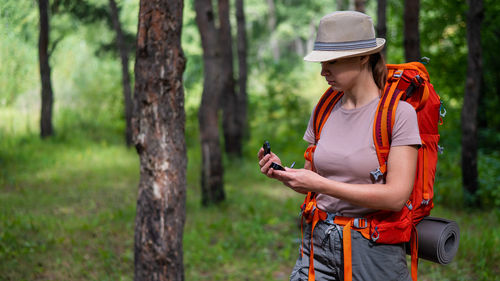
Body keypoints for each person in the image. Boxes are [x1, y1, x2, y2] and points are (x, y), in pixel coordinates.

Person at [258, 11, 421, 281]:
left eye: (331, 61)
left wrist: (319, 184)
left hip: (374, 250)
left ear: (363, 56)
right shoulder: (324, 109)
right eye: (322, 62)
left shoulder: (398, 114)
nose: (323, 72)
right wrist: (283, 172)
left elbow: (396, 197)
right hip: (318, 243)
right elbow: (314, 179)